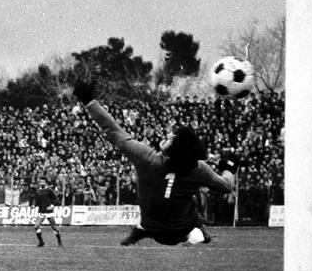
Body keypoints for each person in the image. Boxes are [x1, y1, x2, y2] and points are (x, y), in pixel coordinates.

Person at [72, 81, 236, 245]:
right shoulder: (198, 169)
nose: (167, 136)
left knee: (156, 197)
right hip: (181, 230)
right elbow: (226, 186)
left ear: (175, 148)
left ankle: (141, 230)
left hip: (153, 228)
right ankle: (199, 228)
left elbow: (114, 131)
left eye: (171, 138)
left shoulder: (147, 158)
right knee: (192, 199)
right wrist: (229, 167)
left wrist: (89, 102)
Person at [30, 177, 63, 247]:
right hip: (41, 211)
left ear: (45, 183)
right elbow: (36, 199)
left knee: (54, 227)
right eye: (40, 181)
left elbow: (56, 199)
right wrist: (33, 205)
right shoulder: (38, 191)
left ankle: (59, 242)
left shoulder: (49, 190)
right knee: (36, 226)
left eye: (43, 182)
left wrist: (52, 205)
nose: (41, 183)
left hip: (49, 212)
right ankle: (41, 242)